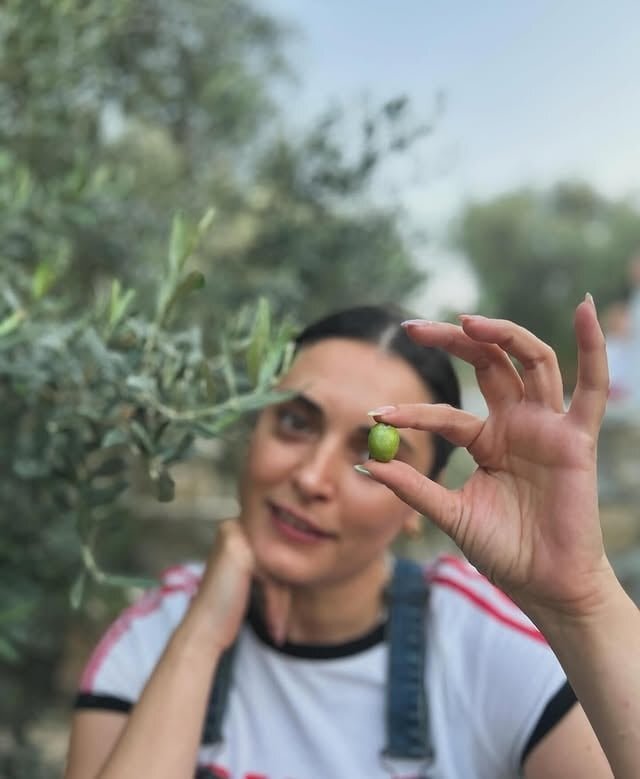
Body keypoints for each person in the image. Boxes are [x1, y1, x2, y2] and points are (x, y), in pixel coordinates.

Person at [65, 296, 640, 779]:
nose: (311, 479)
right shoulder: (154, 634)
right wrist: (197, 640)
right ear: (252, 430)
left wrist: (581, 603)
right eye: (294, 422)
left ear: (419, 502)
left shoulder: (484, 650)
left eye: (369, 449)